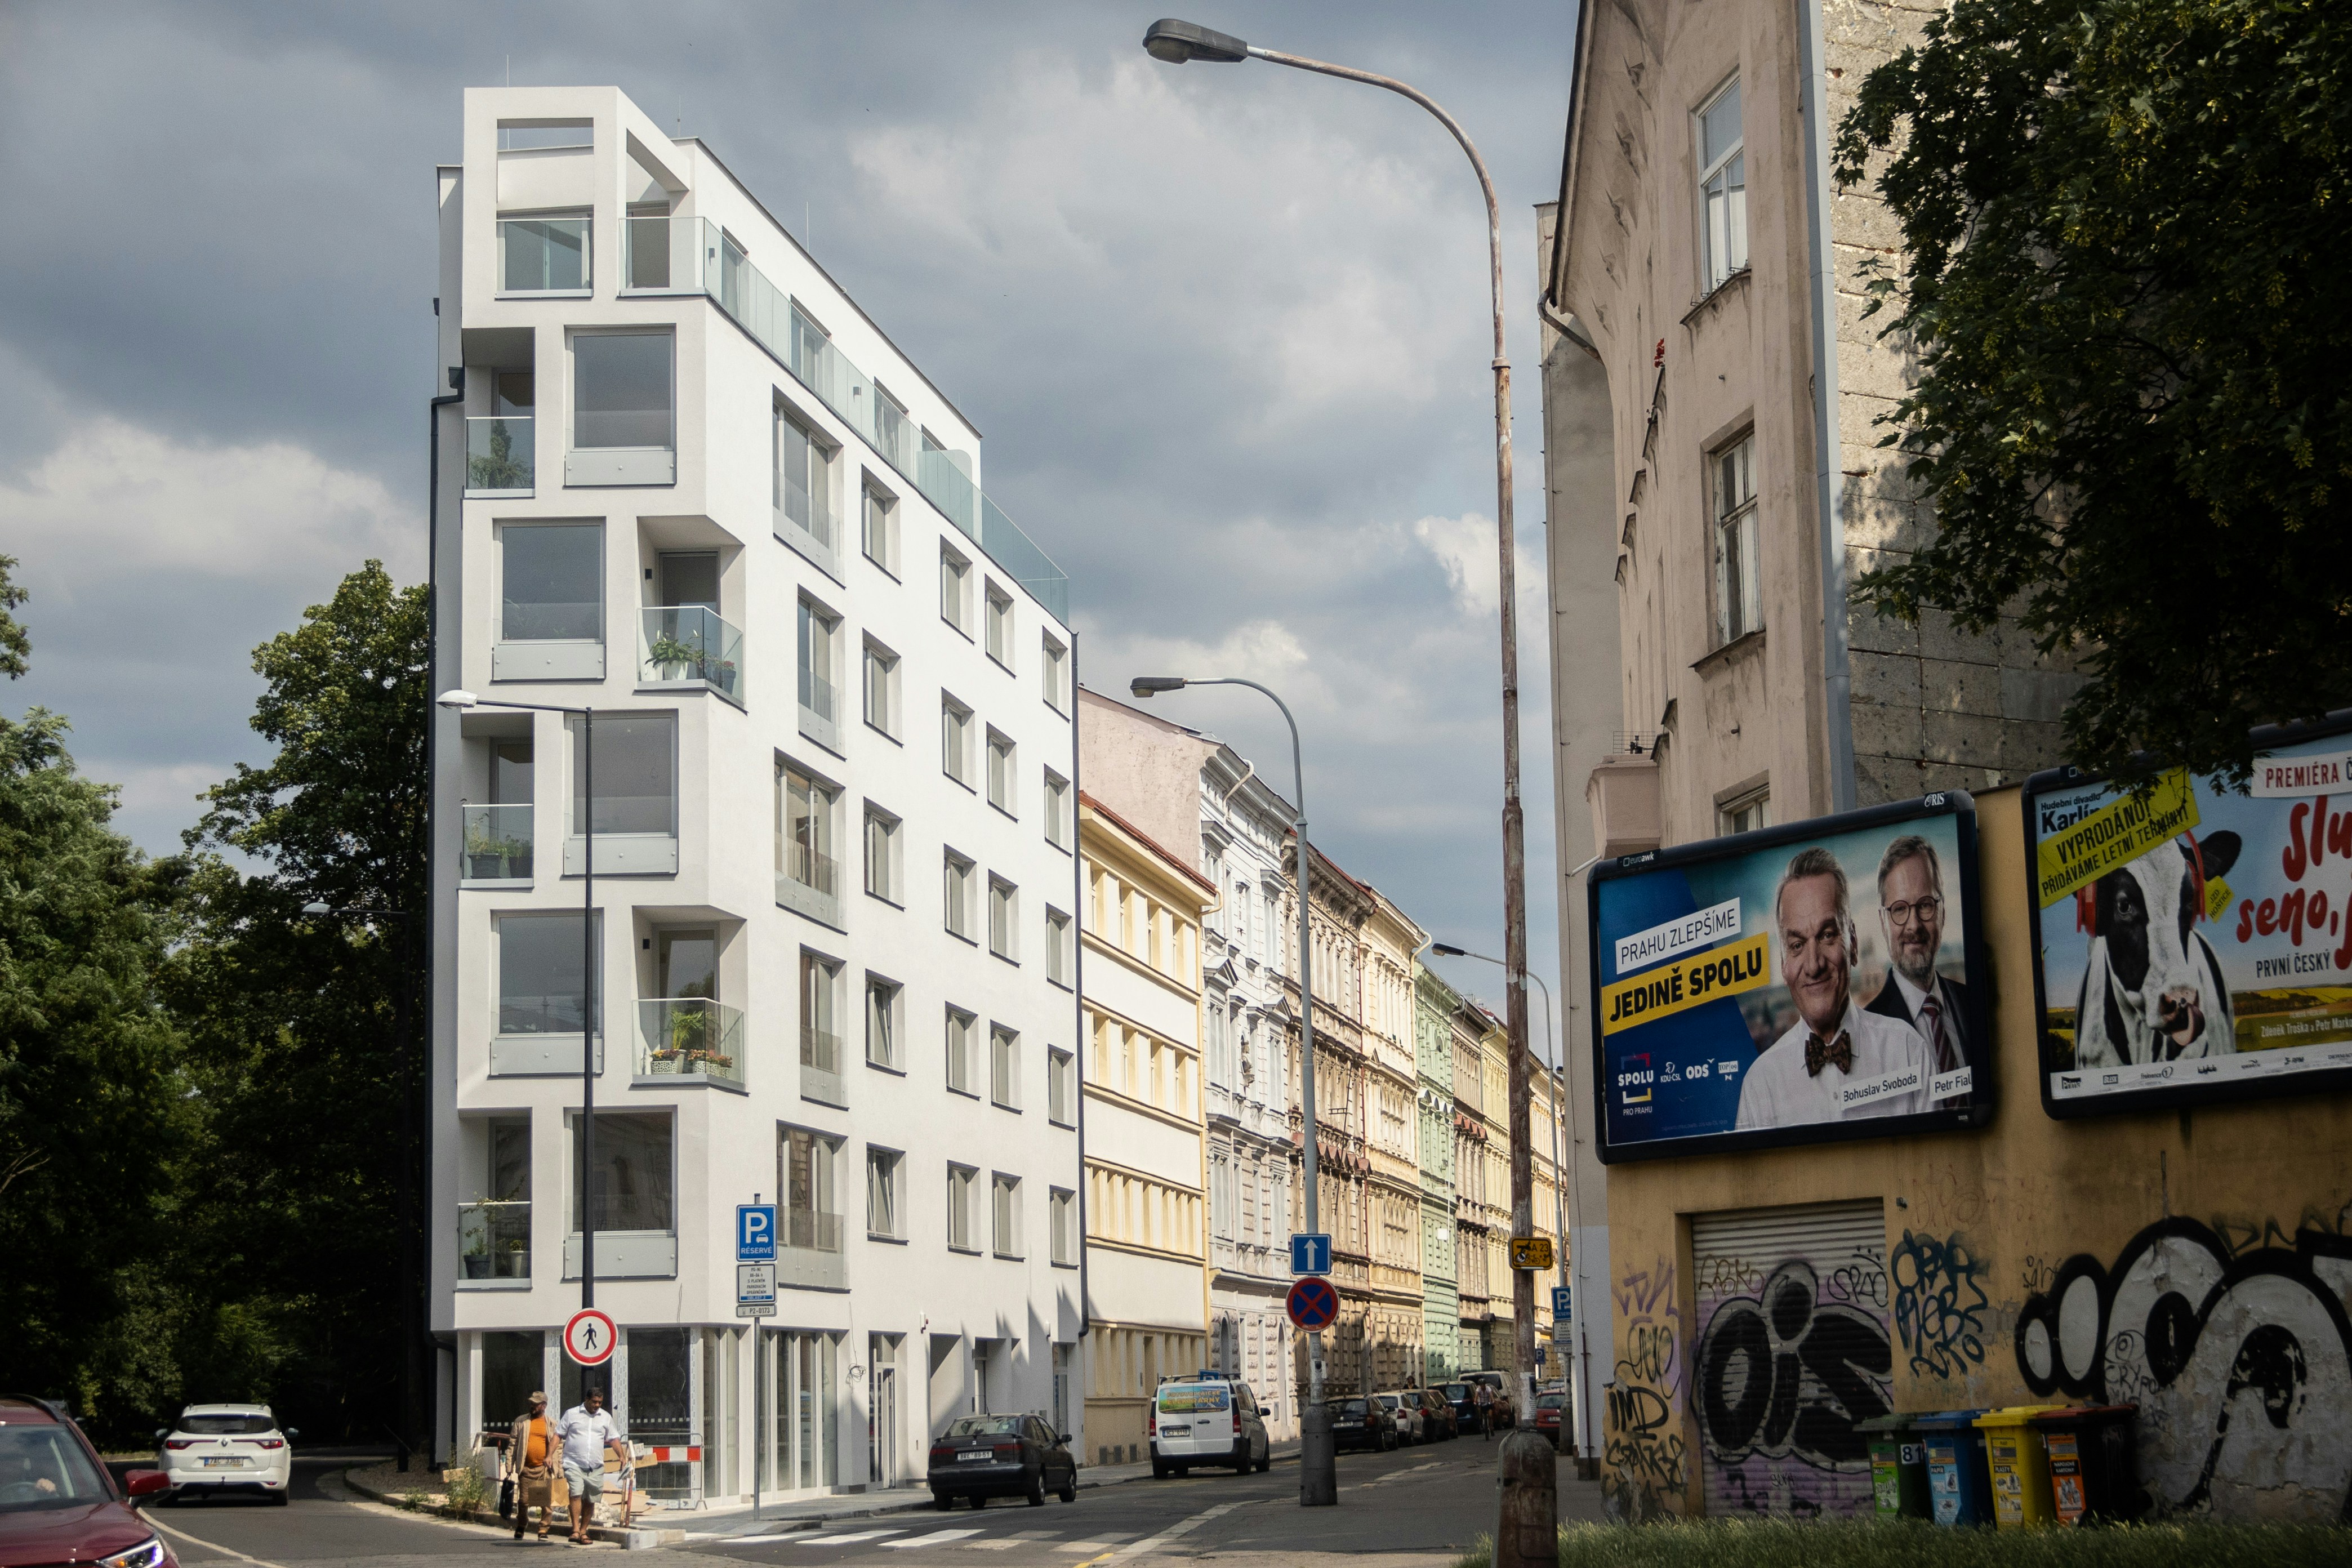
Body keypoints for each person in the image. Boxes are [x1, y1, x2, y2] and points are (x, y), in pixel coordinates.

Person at [1735, 847, 1934, 1130]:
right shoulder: (1759, 1086)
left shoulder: (1908, 1051)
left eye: (1828, 935)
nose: (1814, 965)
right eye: (1797, 945)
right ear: (1783, 964)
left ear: (1852, 944)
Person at [1864, 835, 1974, 1107]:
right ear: (1883, 921)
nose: (1914, 925)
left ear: (1942, 912)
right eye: (1900, 909)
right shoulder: (1865, 1034)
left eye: (1925, 905)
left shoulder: (1972, 1002)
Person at [554, 1384, 624, 1546]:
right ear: (586, 1400)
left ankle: (584, 1531)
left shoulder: (605, 1417)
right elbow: (558, 1435)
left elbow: (614, 1438)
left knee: (591, 1499)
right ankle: (576, 1530)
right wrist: (549, 1455)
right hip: (574, 1463)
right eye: (594, 1402)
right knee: (576, 1493)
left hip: (595, 1466)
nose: (597, 1405)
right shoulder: (572, 1414)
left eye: (600, 1402)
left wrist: (622, 1456)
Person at [507, 1391, 557, 1542]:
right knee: (524, 1501)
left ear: (544, 1406)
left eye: (535, 1404)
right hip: (526, 1469)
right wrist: (510, 1466)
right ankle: (522, 1524)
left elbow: (557, 1447)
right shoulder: (521, 1422)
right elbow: (512, 1444)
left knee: (546, 1503)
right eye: (531, 1403)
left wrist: (558, 1469)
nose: (532, 1406)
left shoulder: (551, 1423)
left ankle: (543, 1529)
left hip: (543, 1469)